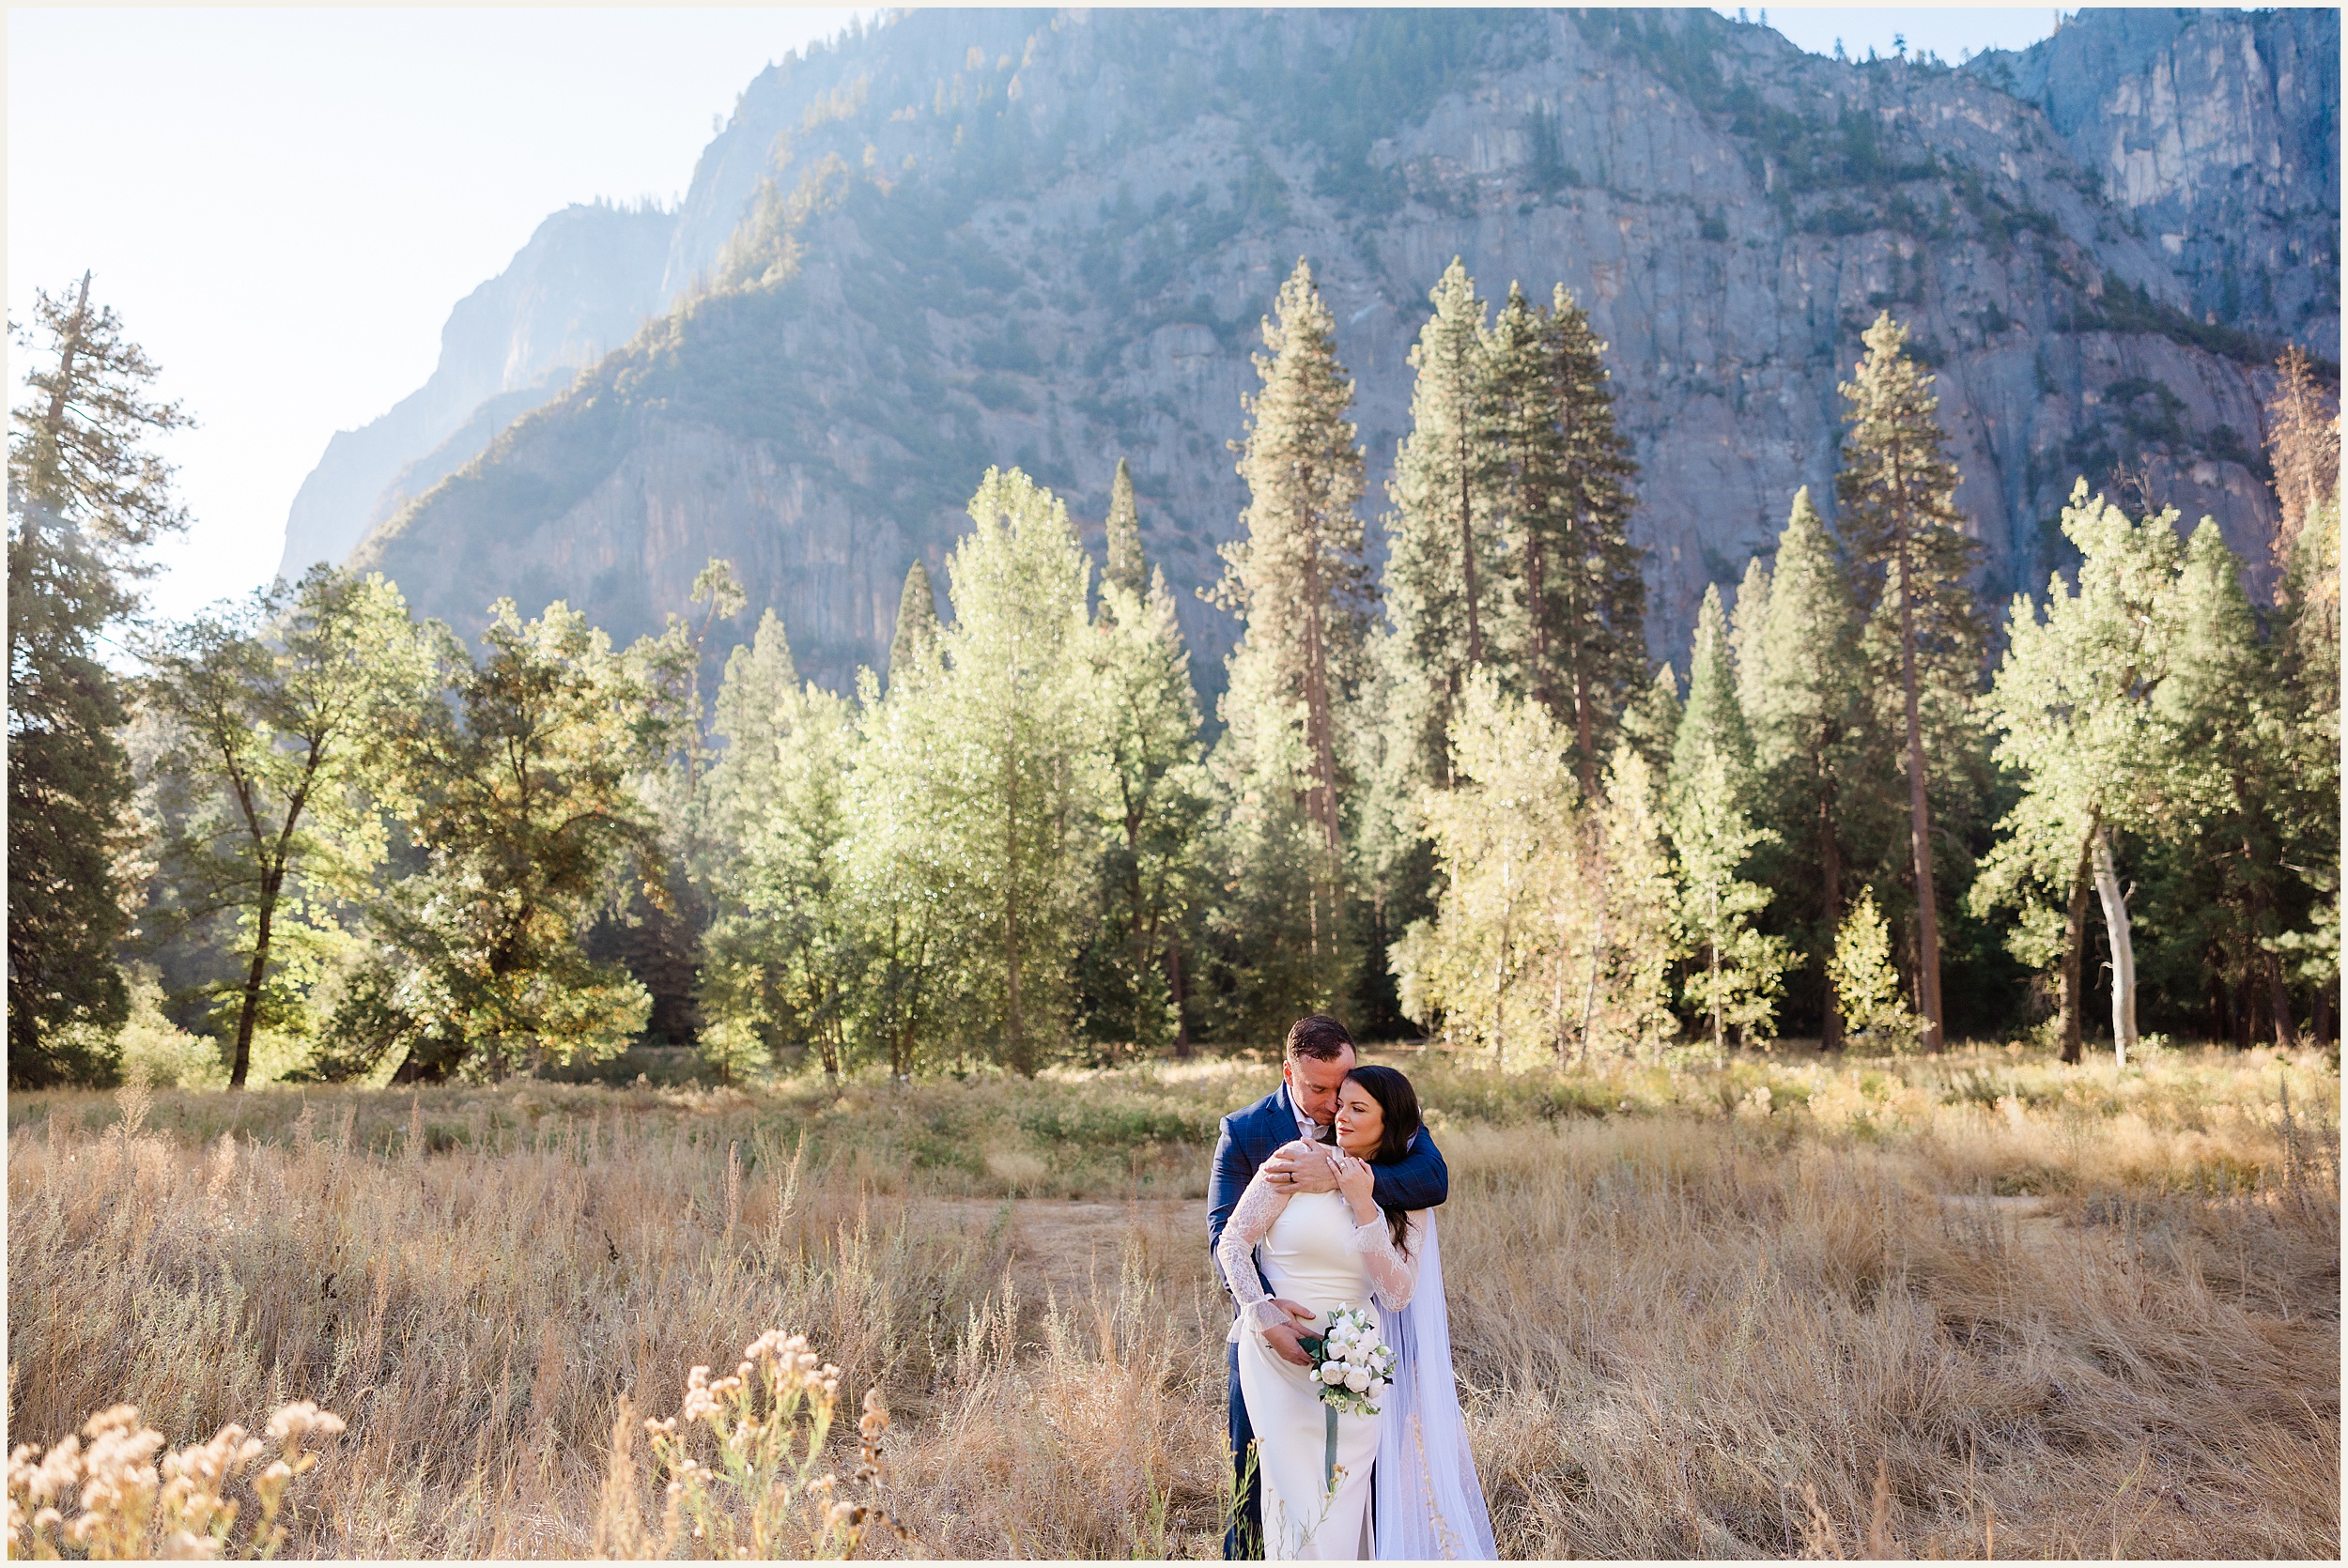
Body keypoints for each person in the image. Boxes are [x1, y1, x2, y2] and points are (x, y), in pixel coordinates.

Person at [1214, 1062, 1495, 1560]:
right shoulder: (1295, 1159)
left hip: (1357, 1364)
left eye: (1355, 1108)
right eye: (1338, 1103)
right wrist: (1260, 1310)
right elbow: (1233, 1240)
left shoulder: (1406, 1197)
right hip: (1277, 1358)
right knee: (1283, 1498)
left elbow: (1398, 1295)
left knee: (1342, 1503)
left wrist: (1363, 1201)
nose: (1337, 1115)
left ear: (1389, 1124)